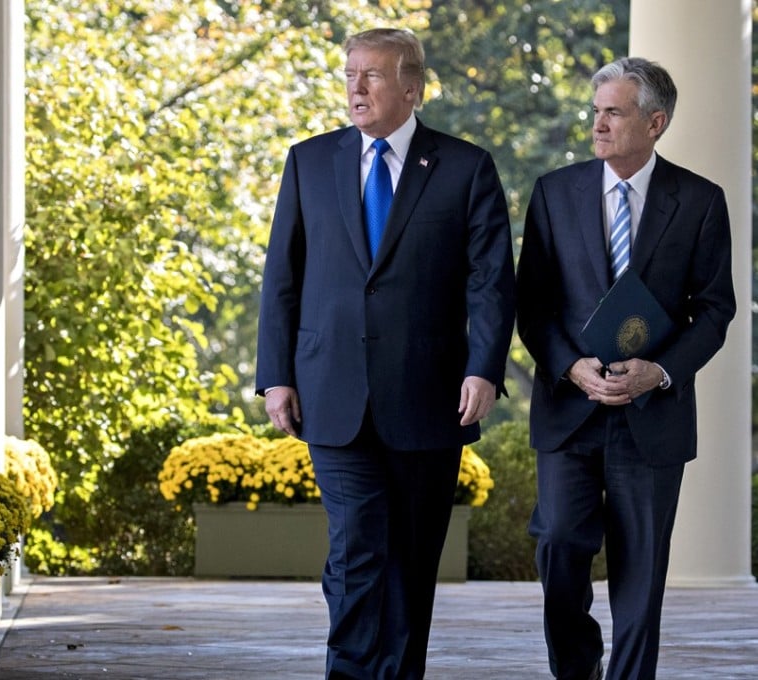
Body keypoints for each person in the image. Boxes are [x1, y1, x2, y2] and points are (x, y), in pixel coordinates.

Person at [255, 28, 515, 679]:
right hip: (332, 392)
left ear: (411, 87)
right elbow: (281, 278)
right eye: (350, 74)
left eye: (371, 75)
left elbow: (490, 282)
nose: (356, 87)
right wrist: (275, 376)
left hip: (429, 399)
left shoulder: (465, 167)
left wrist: (483, 366)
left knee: (410, 559)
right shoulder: (308, 161)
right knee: (357, 549)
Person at [515, 57, 735, 680]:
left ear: (655, 122)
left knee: (641, 576)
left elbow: (716, 309)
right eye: (595, 112)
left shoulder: (699, 201)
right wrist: (571, 366)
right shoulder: (554, 193)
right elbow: (532, 304)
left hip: (652, 414)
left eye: (614, 112)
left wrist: (659, 373)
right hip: (570, 409)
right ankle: (576, 670)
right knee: (558, 542)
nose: (599, 124)